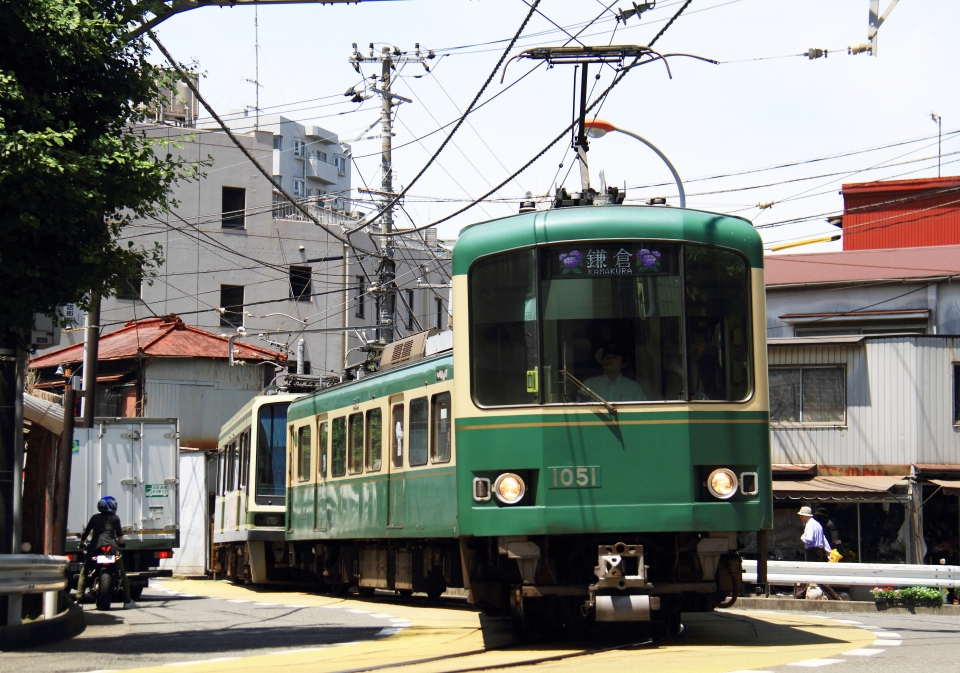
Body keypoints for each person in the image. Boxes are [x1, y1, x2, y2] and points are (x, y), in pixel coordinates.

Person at [76, 496, 137, 609]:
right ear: (111, 506)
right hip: (112, 548)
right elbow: (120, 536)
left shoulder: (94, 518)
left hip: (95, 548)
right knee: (122, 574)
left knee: (84, 572)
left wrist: (82, 542)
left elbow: (86, 532)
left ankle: (79, 601)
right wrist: (122, 544)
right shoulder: (115, 518)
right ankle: (127, 601)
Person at [794, 505, 841, 600]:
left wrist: (802, 537)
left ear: (804, 516)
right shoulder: (817, 524)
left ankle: (834, 597)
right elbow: (824, 539)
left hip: (812, 551)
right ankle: (799, 595)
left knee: (813, 575)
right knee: (812, 574)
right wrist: (828, 552)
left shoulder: (809, 524)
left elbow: (809, 539)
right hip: (819, 551)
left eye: (801, 515)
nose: (800, 517)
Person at [582, 341, 647, 402]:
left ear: (624, 364)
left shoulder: (634, 388)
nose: (609, 360)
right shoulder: (589, 385)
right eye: (606, 357)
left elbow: (643, 412)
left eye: (614, 357)